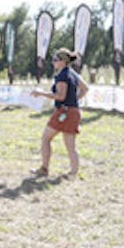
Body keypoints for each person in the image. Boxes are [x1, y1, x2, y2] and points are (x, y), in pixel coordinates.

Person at [31, 47, 90, 178]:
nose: (53, 62)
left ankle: (44, 168)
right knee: (70, 146)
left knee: (46, 138)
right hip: (74, 111)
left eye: (55, 59)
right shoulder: (73, 73)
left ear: (62, 61)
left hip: (64, 112)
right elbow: (85, 88)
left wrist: (41, 93)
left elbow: (60, 96)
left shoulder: (62, 76)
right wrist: (74, 100)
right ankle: (73, 173)